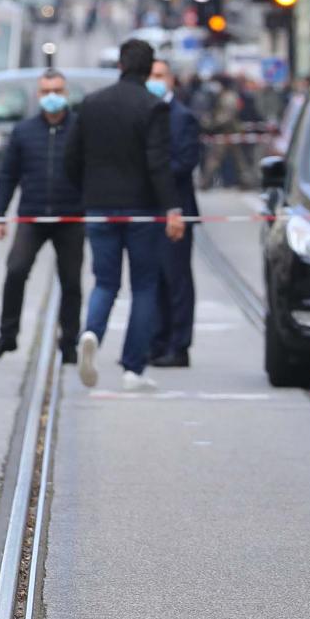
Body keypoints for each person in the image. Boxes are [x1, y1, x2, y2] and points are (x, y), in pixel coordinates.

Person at [64, 39, 186, 391]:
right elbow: (158, 164)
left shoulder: (91, 104)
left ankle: (91, 333)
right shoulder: (152, 107)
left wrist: (88, 192)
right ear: (149, 71)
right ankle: (133, 367)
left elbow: (72, 159)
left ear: (119, 65)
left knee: (105, 282)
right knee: (144, 286)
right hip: (142, 211)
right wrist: (171, 209)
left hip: (99, 207)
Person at [0, 70, 85, 364]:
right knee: (15, 270)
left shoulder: (79, 129)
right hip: (33, 215)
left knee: (71, 283)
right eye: (46, 91)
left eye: (57, 90)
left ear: (66, 94)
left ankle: (69, 342)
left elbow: (92, 172)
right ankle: (7, 335)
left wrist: (92, 209)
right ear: (38, 96)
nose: (52, 96)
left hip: (70, 217)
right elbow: (8, 175)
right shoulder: (24, 131)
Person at [146, 60, 202, 368]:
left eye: (159, 76)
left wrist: (153, 173)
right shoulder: (144, 114)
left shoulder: (183, 118)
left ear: (171, 80)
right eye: (150, 76)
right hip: (147, 211)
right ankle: (156, 342)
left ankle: (179, 346)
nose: (154, 81)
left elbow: (185, 162)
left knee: (176, 279)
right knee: (152, 279)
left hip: (177, 211)